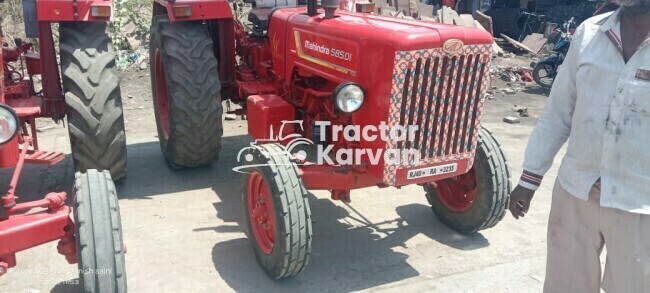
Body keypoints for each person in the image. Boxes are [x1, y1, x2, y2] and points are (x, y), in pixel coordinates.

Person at [508, 0, 650, 291]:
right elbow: (558, 113)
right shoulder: (589, 33)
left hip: (640, 204)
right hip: (576, 192)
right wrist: (529, 177)